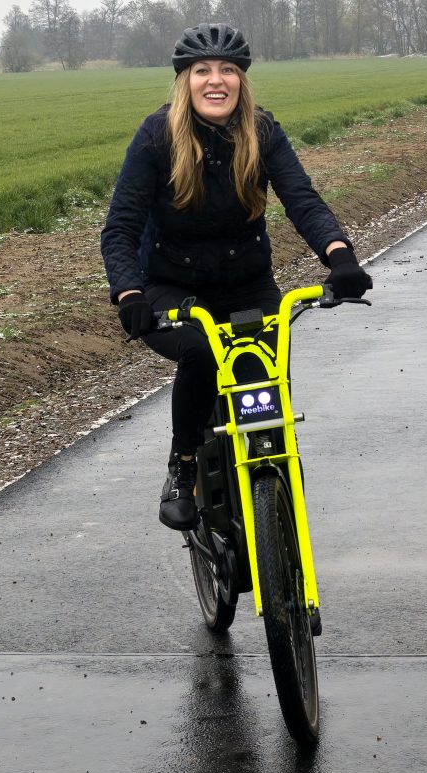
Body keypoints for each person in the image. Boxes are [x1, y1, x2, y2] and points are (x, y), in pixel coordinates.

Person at [101, 23, 372, 531]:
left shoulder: (262, 131)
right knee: (202, 352)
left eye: (227, 69)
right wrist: (129, 292)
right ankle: (183, 465)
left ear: (241, 80)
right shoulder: (156, 136)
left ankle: (275, 485)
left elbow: (302, 199)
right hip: (170, 287)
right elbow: (121, 226)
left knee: (262, 383)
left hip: (247, 284)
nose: (215, 80)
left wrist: (340, 256)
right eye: (202, 70)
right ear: (184, 80)